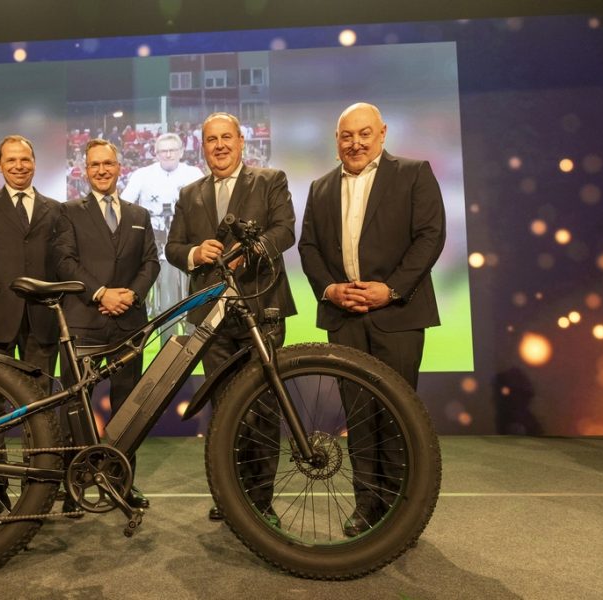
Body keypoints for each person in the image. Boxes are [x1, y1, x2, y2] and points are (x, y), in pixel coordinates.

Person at [298, 102, 446, 537]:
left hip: (397, 316)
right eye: (347, 135)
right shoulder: (321, 186)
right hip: (345, 320)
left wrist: (392, 289)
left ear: (382, 133)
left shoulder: (414, 172)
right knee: (359, 417)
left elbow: (430, 236)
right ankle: (367, 506)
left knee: (400, 418)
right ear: (336, 140)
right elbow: (308, 248)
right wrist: (330, 289)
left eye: (364, 133)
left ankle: (405, 515)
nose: (356, 142)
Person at [165, 112, 297, 522]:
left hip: (262, 307)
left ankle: (260, 502)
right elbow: (172, 247)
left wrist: (248, 251)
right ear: (202, 146)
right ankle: (230, 499)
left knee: (264, 406)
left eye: (226, 137)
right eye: (211, 140)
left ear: (241, 141)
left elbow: (285, 231)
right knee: (224, 411)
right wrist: (193, 254)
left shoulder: (270, 179)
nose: (219, 145)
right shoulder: (189, 193)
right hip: (211, 314)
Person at [53, 139, 159, 513]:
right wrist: (100, 293)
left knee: (128, 407)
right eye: (95, 164)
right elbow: (64, 262)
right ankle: (74, 487)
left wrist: (131, 293)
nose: (102, 170)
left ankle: (120, 483)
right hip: (85, 322)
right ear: (85, 170)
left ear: (119, 168)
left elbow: (151, 262)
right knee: (75, 407)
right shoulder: (68, 212)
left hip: (130, 323)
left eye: (108, 164)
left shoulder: (139, 214)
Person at [0, 135, 63, 515]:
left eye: (25, 159)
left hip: (41, 320)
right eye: (11, 160)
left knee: (40, 408)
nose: (19, 166)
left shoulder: (56, 209)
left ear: (35, 163)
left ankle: (38, 485)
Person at [122, 133, 203, 343]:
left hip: (188, 249)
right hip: (154, 249)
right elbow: (125, 205)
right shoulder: (142, 175)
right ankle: (166, 343)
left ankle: (195, 343)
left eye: (172, 150)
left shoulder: (193, 173)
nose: (168, 154)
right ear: (155, 153)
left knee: (193, 299)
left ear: (181, 152)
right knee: (163, 305)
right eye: (163, 151)